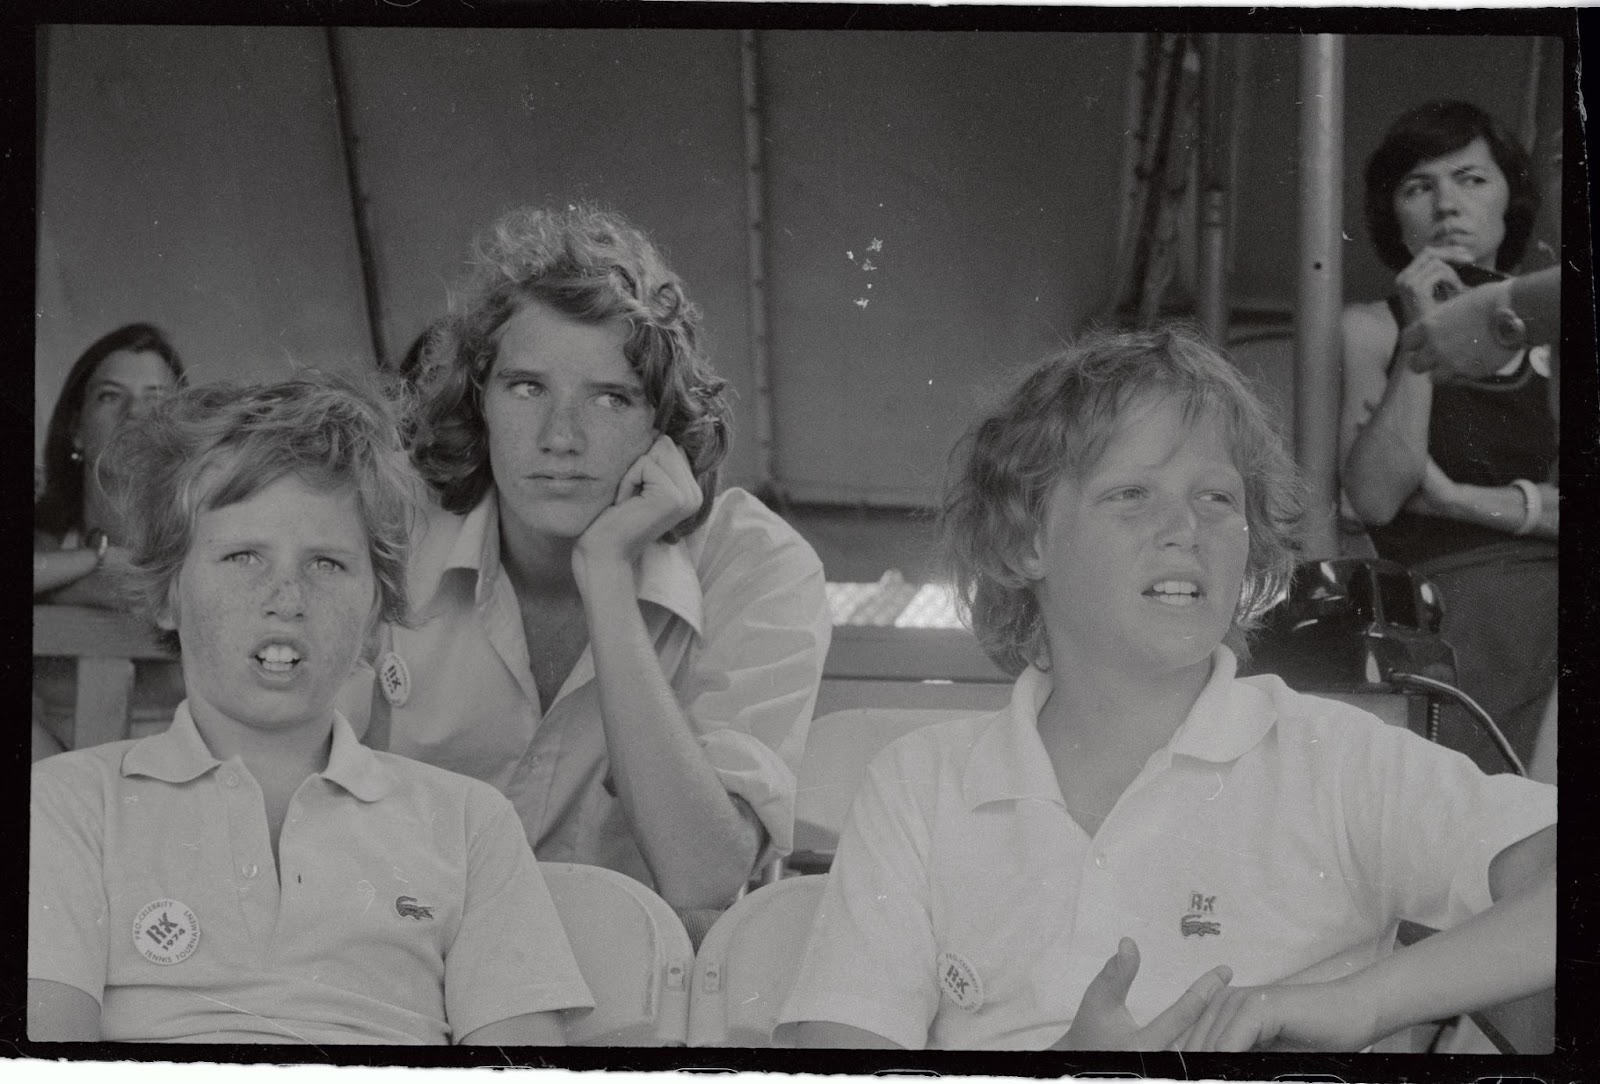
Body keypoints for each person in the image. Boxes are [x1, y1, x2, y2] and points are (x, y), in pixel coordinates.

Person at [776, 327, 1555, 1051]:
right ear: (1024, 543)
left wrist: (1364, 1001)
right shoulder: (919, 786)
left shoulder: (1333, 757)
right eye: (1132, 495)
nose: (1186, 527)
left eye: (1218, 498)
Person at [29, 374, 593, 1044]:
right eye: (242, 557)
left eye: (327, 564)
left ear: (377, 612)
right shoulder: (68, 807)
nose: (286, 598)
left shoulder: (469, 826)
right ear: (167, 596)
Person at [344, 205, 830, 919]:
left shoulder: (756, 564)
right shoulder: (393, 527)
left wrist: (605, 575)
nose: (560, 437)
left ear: (663, 421)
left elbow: (704, 875)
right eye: (527, 388)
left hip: (627, 1001)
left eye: (610, 397)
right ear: (477, 400)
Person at [1338, 100, 1557, 774]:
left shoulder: (1553, 334)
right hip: (1448, 618)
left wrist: (1458, 497)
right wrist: (1423, 333)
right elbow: (1374, 498)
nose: (1447, 205)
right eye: (1418, 186)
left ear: (1509, 199)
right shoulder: (1369, 330)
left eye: (1471, 179)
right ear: (1393, 213)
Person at [34, 324, 188, 760]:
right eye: (109, 396)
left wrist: (61, 585)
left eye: (156, 399)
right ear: (76, 430)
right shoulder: (40, 532)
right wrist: (95, 559)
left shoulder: (207, 534)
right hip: (48, 787)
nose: (135, 414)